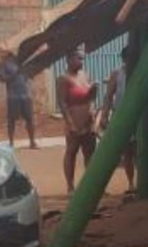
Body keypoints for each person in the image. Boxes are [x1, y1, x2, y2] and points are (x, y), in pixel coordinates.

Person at [57, 48, 97, 194]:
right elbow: (62, 103)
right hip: (74, 120)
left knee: (90, 153)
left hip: (88, 119)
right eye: (78, 59)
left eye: (82, 59)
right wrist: (70, 123)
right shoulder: (63, 79)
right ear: (69, 60)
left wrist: (92, 111)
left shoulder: (85, 75)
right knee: (71, 151)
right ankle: (70, 186)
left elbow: (91, 97)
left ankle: (90, 185)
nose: (81, 62)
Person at [101, 46, 135, 192]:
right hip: (121, 117)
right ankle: (131, 183)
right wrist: (104, 115)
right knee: (126, 152)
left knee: (141, 151)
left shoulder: (141, 72)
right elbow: (108, 96)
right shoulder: (117, 74)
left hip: (138, 117)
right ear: (125, 59)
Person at [0, 46, 37, 149]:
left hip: (25, 94)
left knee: (30, 119)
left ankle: (32, 142)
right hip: (13, 96)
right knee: (11, 120)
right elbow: (2, 78)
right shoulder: (4, 64)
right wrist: (14, 74)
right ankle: (11, 142)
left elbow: (29, 73)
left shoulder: (22, 63)